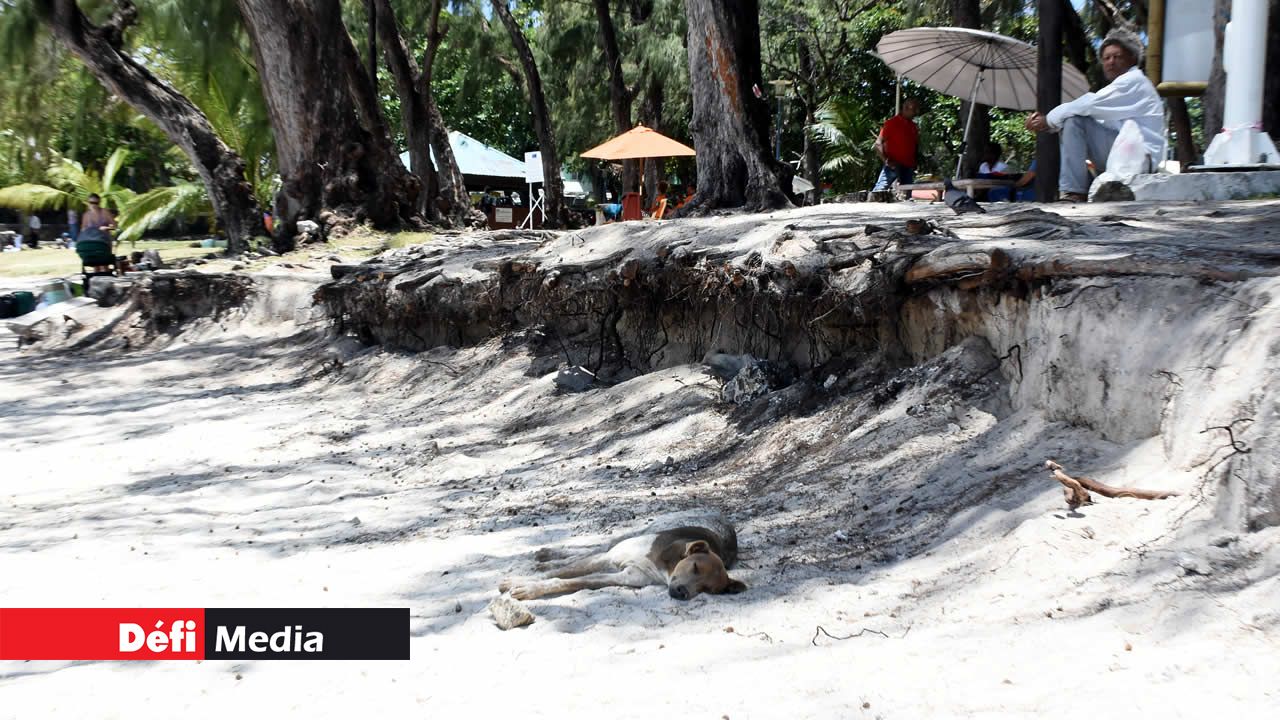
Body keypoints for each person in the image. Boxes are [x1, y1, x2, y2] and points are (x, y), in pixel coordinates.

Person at [1023, 28, 1162, 203]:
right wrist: (1049, 125)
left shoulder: (1133, 81)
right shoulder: (1125, 90)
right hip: (1125, 156)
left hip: (1138, 158)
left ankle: (1074, 192)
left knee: (1074, 121)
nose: (1110, 62)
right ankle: (1078, 189)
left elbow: (1089, 104)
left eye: (1117, 56)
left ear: (1132, 58)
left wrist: (1048, 120)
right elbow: (1096, 118)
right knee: (1073, 120)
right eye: (1106, 58)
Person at [872, 98, 923, 191]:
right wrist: (886, 161)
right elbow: (877, 144)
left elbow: (915, 145)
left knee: (907, 195)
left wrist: (915, 161)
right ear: (906, 108)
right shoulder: (892, 123)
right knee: (880, 190)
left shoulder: (913, 126)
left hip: (908, 166)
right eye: (914, 109)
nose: (916, 112)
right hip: (894, 164)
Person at [80, 193, 117, 271]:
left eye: (96, 203)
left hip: (104, 242)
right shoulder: (86, 215)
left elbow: (115, 226)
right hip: (92, 242)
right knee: (95, 265)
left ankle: (106, 278)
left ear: (99, 203)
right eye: (91, 203)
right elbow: (83, 229)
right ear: (88, 203)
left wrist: (106, 228)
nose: (94, 205)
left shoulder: (105, 212)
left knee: (104, 264)